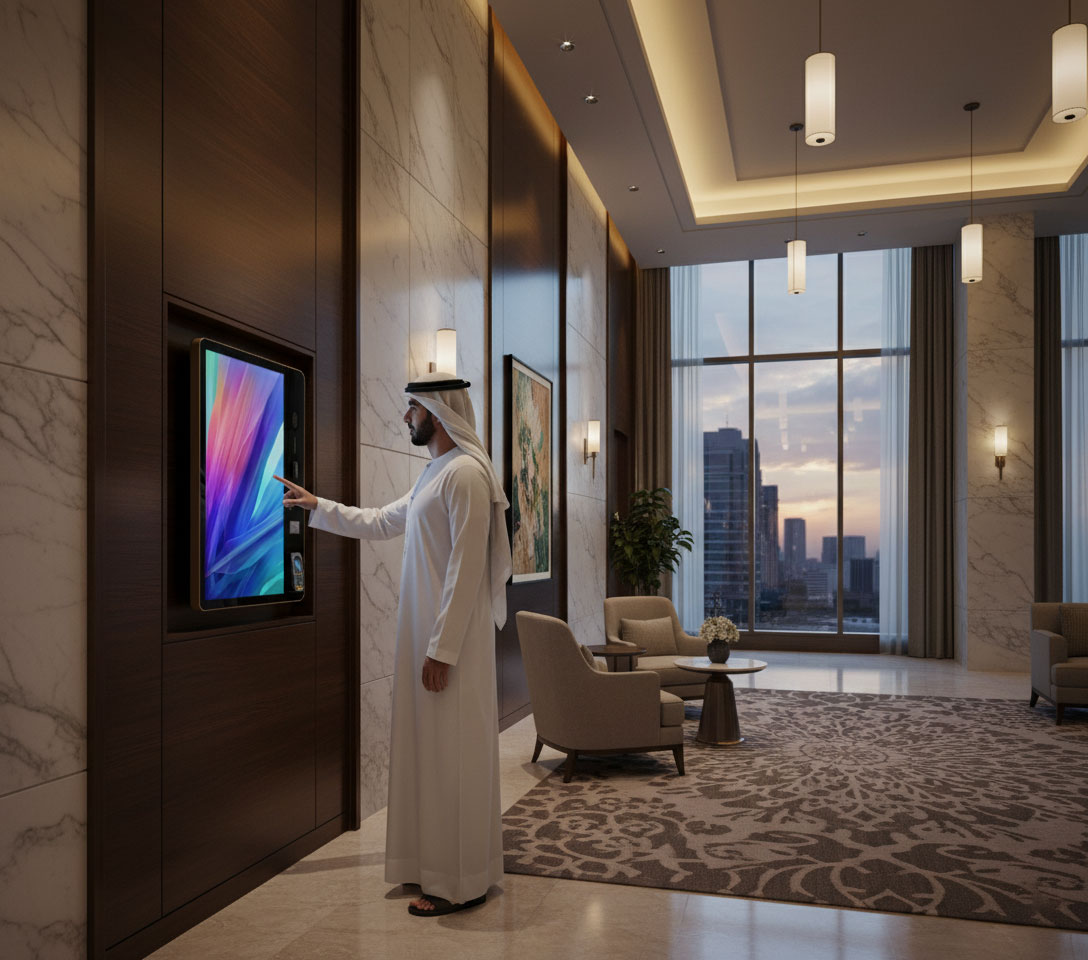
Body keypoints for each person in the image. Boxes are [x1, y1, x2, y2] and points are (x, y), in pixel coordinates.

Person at [274, 372, 511, 917]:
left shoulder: (466, 475)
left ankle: (460, 883)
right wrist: (316, 506)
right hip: (426, 638)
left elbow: (466, 571)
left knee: (452, 757)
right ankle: (428, 866)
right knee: (431, 755)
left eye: (412, 408)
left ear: (437, 411)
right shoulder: (435, 473)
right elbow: (383, 521)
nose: (406, 417)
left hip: (449, 648)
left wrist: (442, 650)